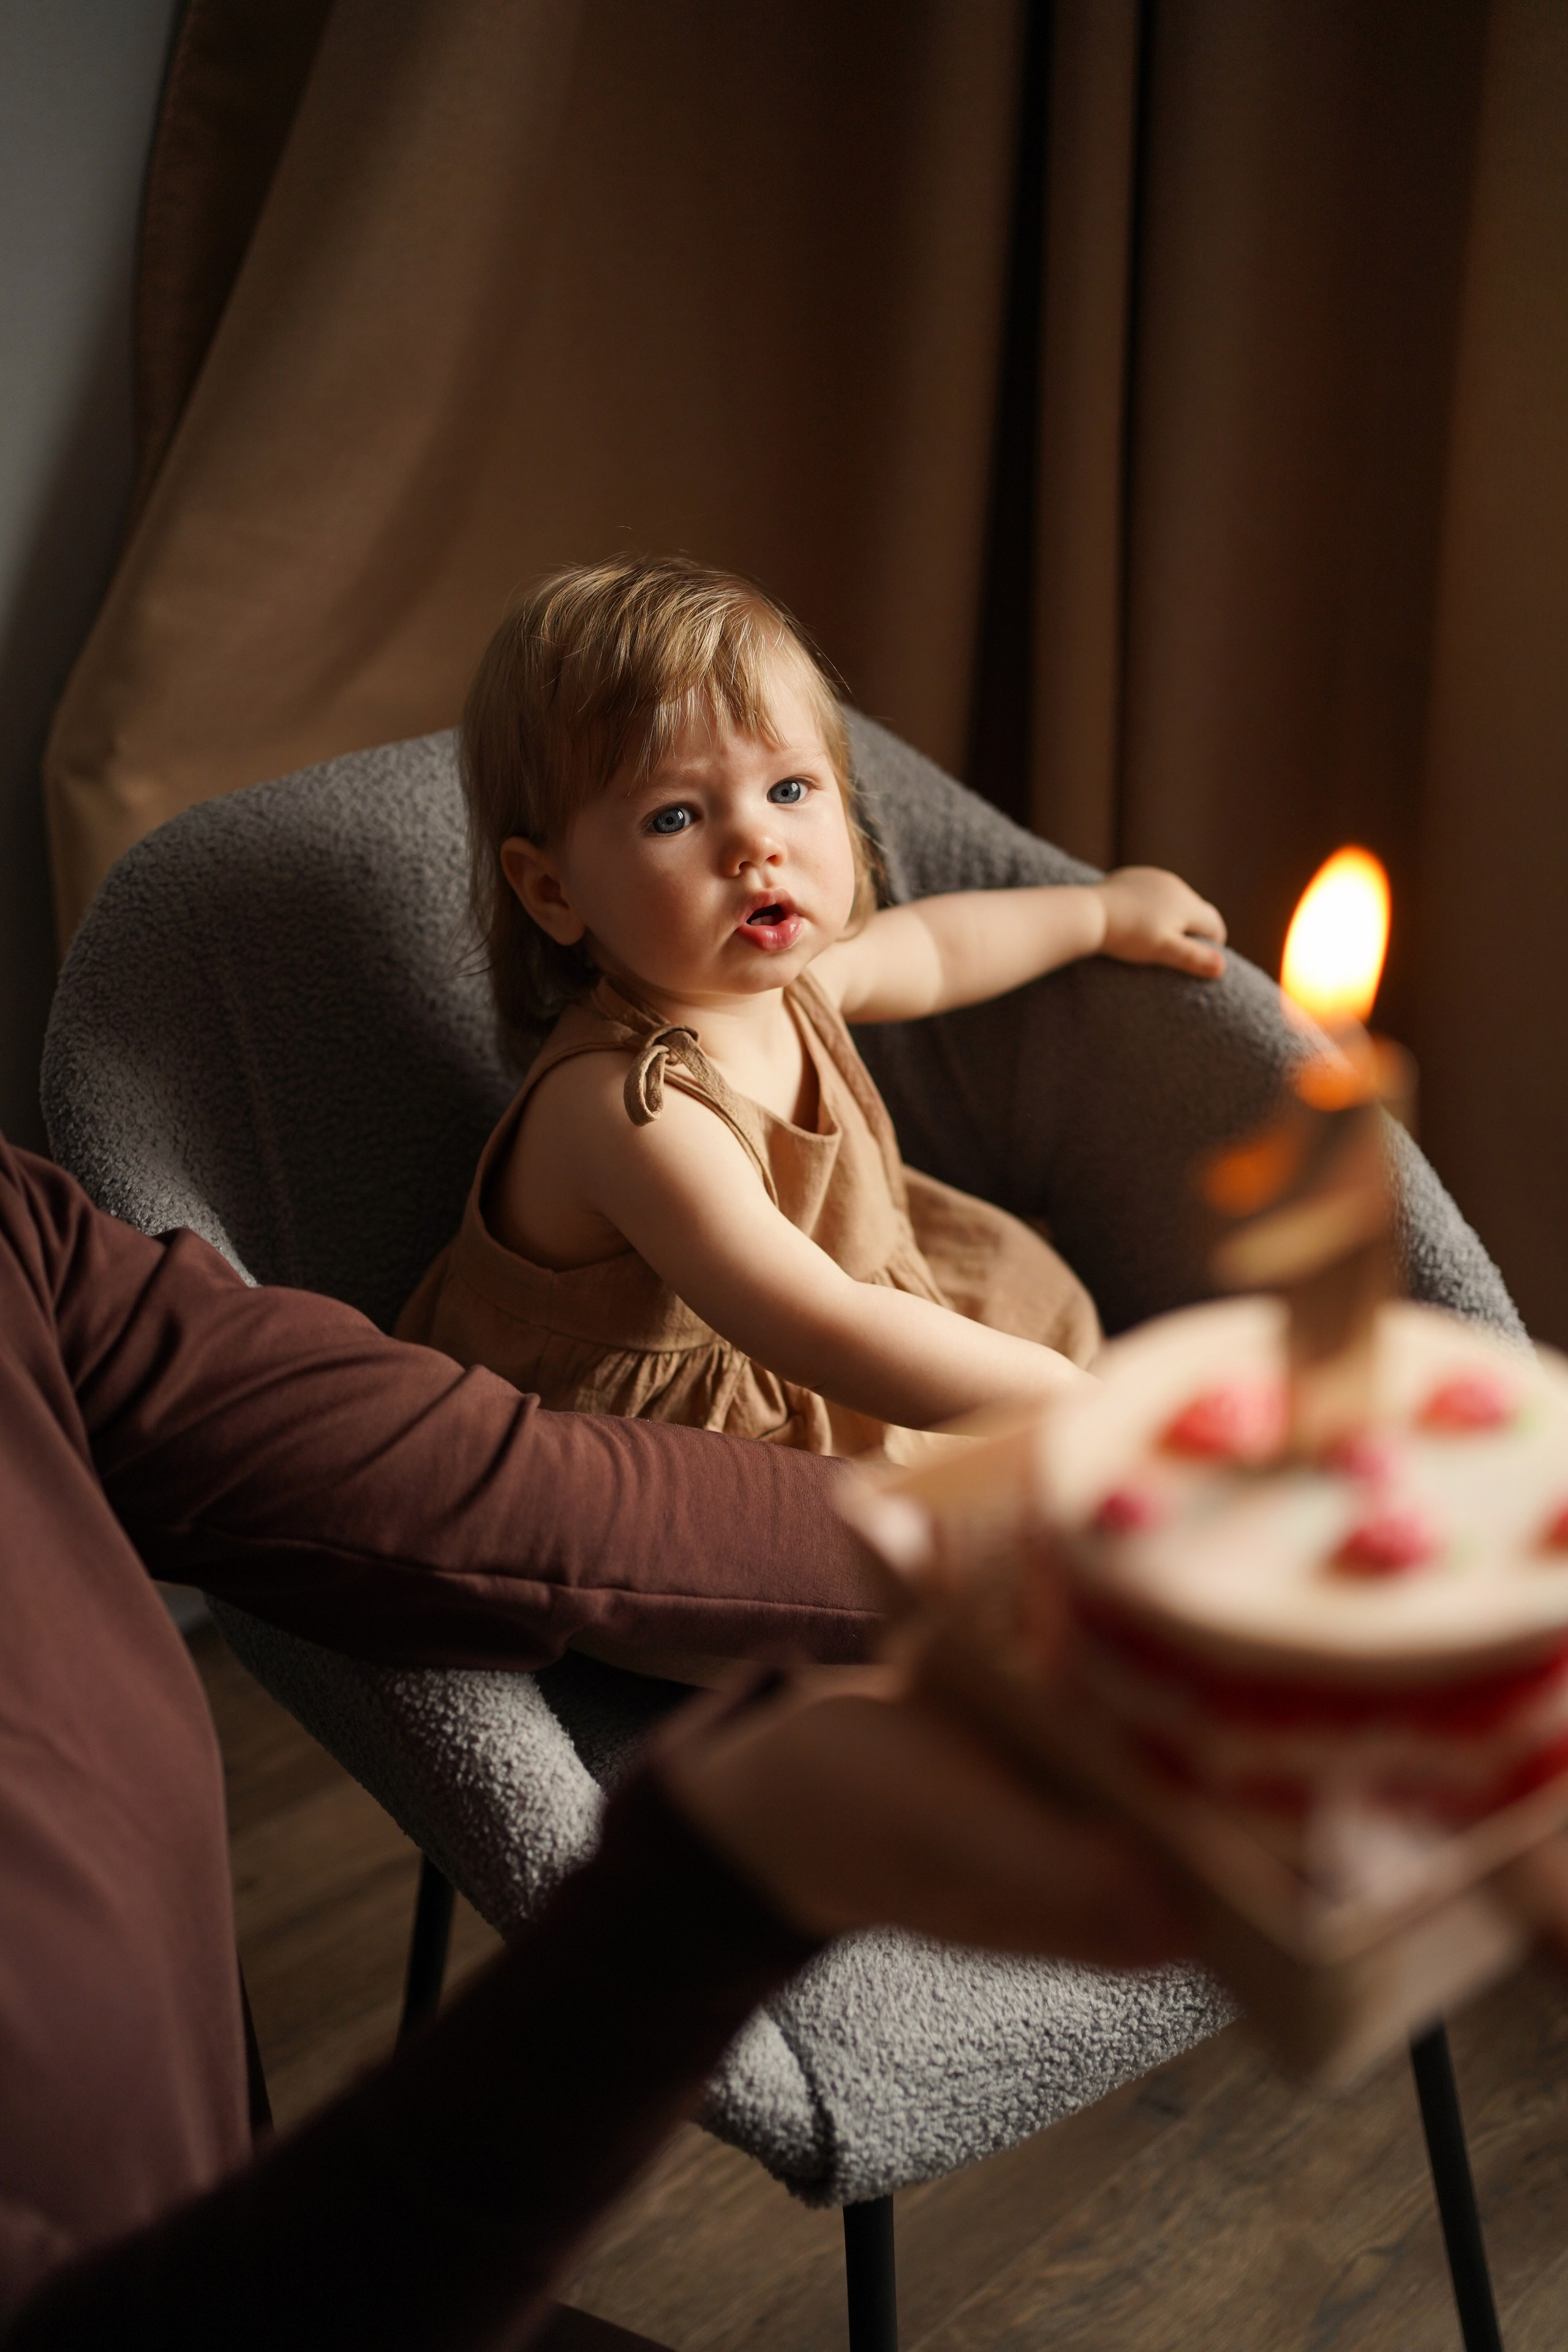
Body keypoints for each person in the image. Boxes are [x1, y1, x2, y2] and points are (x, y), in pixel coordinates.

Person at [0, 1136, 1186, 2349]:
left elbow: (478, 1489)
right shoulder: (631, 1117)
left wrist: (998, 1552)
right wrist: (721, 1874)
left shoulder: (16, 1236)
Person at [398, 557, 1226, 1485]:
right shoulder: (627, 1110)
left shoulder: (795, 983)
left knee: (1027, 1306)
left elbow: (940, 950)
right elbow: (822, 1326)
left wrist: (1103, 915)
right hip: (697, 1444)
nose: (758, 843)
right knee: (919, 1526)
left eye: (789, 790)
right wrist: (1082, 1406)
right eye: (674, 817)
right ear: (553, 891)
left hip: (841, 1327)